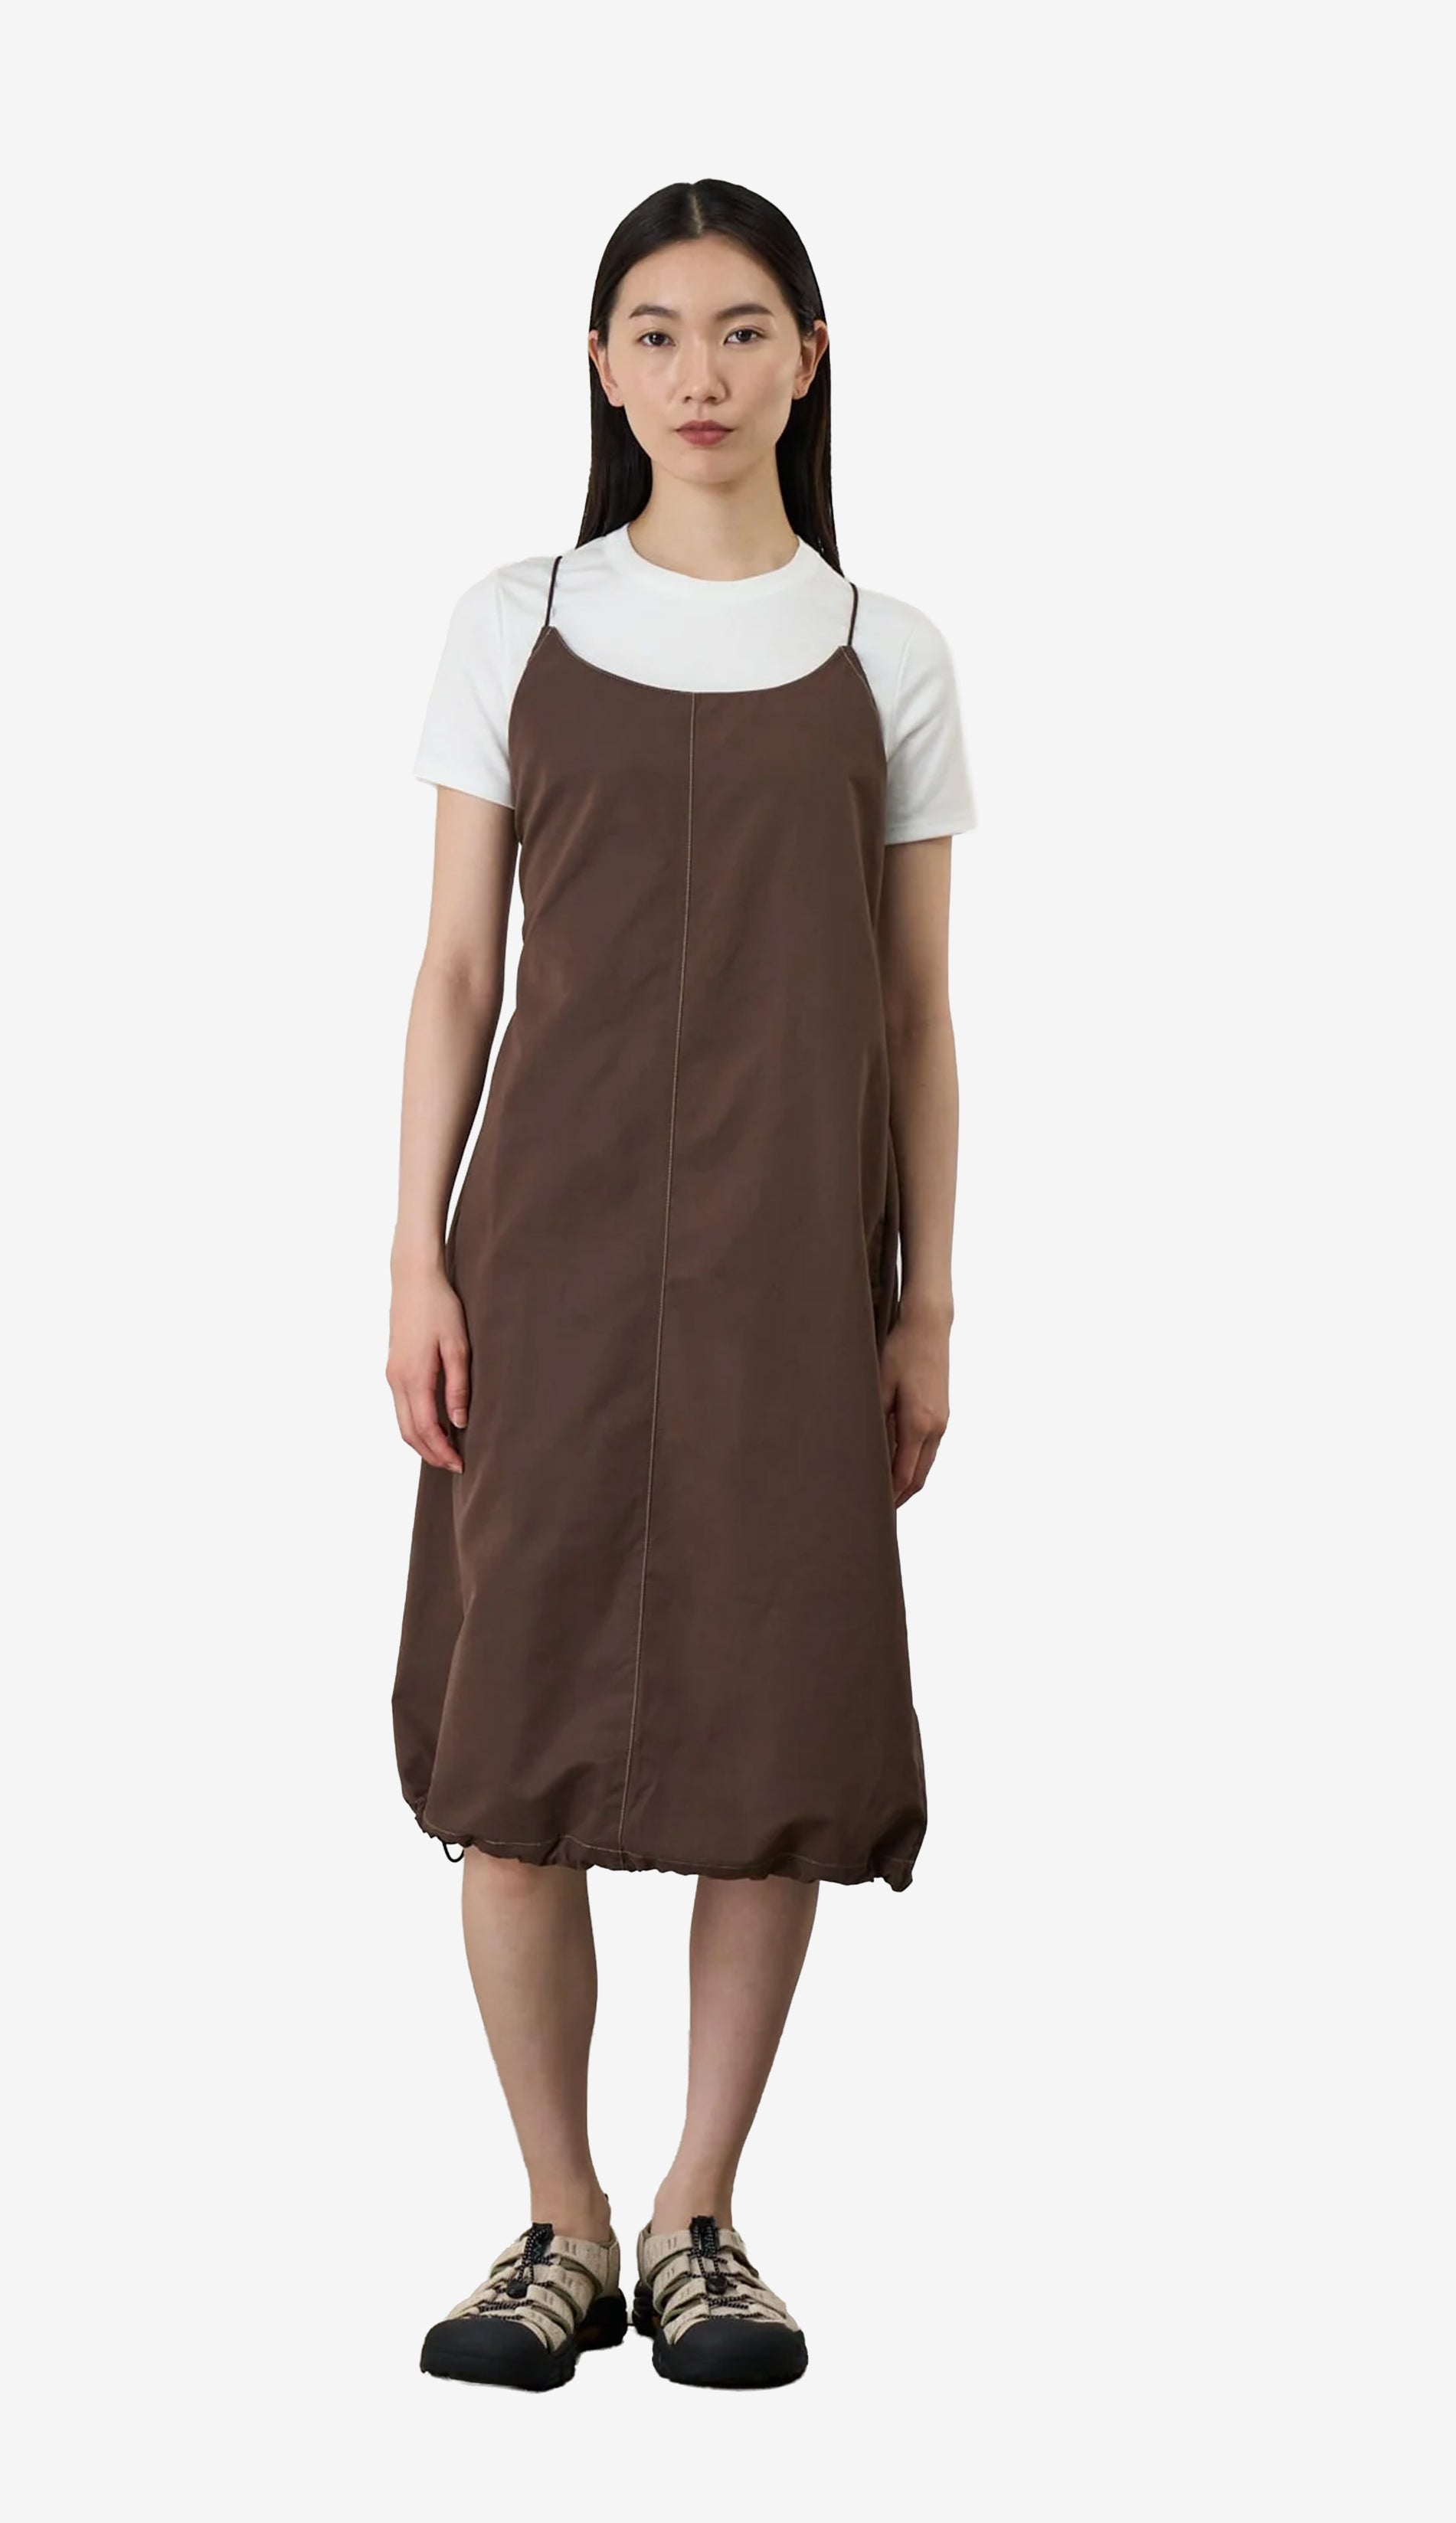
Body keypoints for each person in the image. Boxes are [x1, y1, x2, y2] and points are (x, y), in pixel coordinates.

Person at [385, 178, 977, 2393]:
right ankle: (554, 2219)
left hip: (791, 1265)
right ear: (601, 366)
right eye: (655, 331)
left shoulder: (888, 650)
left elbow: (918, 1013)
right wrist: (414, 1253)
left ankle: (700, 2213)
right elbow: (458, 968)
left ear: (810, 360)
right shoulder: (513, 619)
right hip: (538, 1252)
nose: (700, 374)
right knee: (510, 1737)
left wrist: (925, 1300)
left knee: (776, 1718)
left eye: (743, 330)